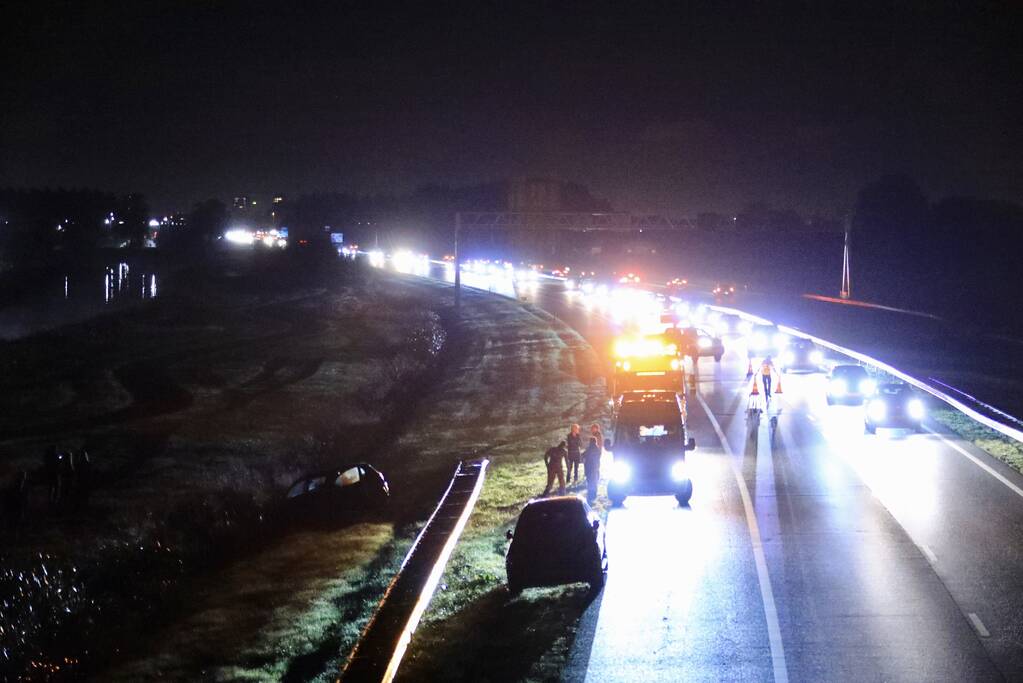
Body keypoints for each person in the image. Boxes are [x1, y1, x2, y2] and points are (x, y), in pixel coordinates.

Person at [3, 471, 29, 540]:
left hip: (17, 506)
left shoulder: (22, 485)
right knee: (13, 521)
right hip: (14, 506)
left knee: (16, 521)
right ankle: (12, 535)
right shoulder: (14, 486)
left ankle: (15, 536)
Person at [583, 436, 601, 501]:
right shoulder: (597, 449)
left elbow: (583, 455)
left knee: (589, 481)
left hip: (589, 467)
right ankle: (594, 494)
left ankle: (590, 493)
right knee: (595, 480)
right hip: (595, 467)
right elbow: (599, 456)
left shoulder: (588, 449)